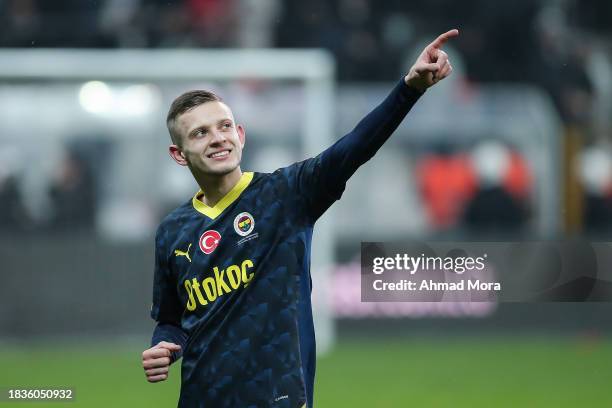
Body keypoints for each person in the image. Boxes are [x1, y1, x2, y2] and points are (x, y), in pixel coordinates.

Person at [142, 29, 459, 408]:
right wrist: (164, 345)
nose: (217, 138)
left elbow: (354, 147)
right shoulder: (173, 231)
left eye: (225, 126)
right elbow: (171, 320)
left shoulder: (286, 195)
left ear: (240, 135)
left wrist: (409, 89)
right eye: (200, 133)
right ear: (179, 155)